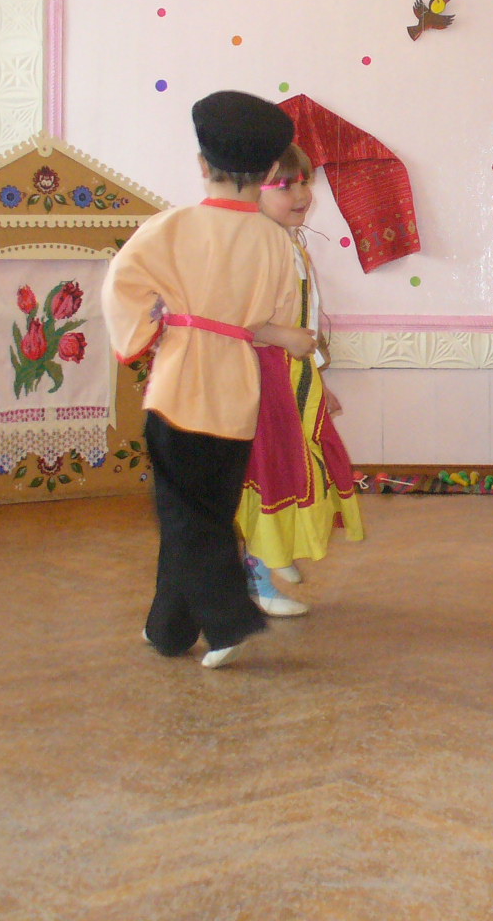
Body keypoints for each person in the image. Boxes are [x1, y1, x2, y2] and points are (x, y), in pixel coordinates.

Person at [102, 90, 312, 668]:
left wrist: (148, 327)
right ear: (268, 173)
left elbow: (122, 282)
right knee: (208, 511)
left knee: (183, 515)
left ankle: (227, 620)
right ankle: (168, 627)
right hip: (238, 392)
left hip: (180, 387)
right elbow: (275, 320)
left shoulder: (171, 227)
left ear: (202, 164)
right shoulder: (276, 242)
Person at [235, 142, 365, 618]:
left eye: (304, 181)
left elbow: (304, 320)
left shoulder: (288, 243)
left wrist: (316, 378)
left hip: (291, 377)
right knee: (265, 477)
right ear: (253, 190)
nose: (301, 194)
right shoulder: (252, 245)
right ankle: (255, 579)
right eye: (284, 185)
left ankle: (277, 551)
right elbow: (235, 320)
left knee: (297, 469)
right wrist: (282, 340)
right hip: (261, 380)